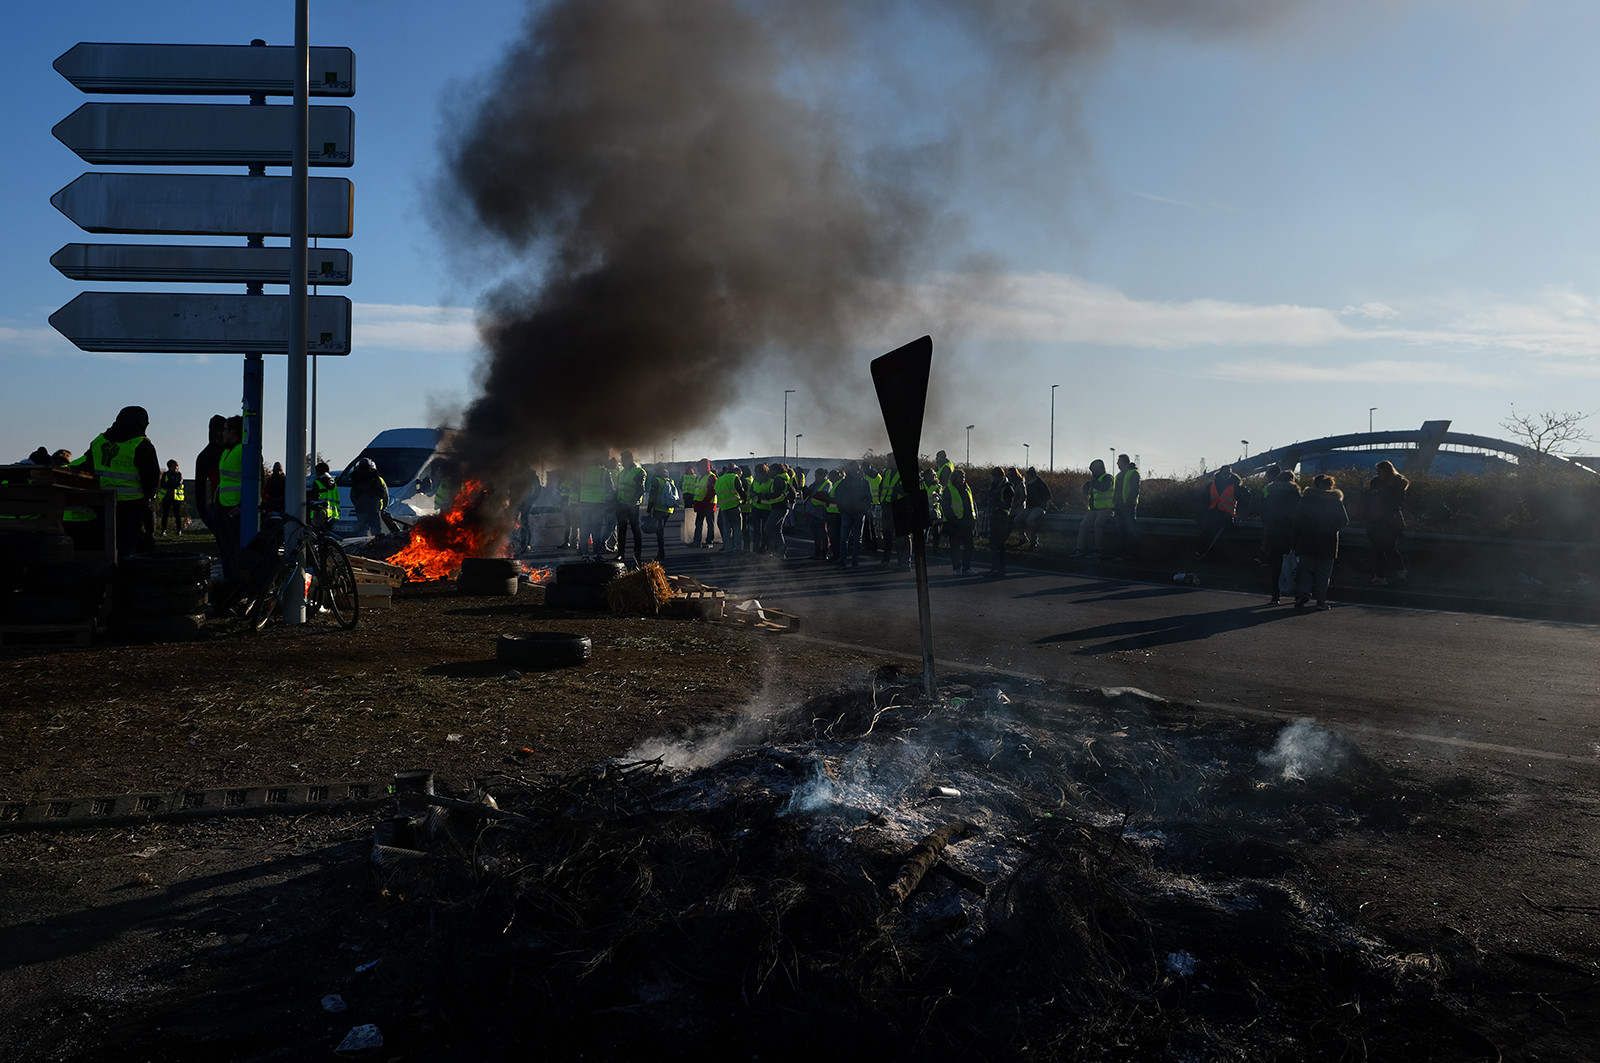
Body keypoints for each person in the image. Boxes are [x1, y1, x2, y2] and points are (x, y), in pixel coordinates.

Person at [81, 404, 160, 561]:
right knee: (126, 549)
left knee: (105, 547)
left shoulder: (98, 441)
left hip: (102, 504)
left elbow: (88, 469)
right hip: (132, 506)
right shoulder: (142, 445)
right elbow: (151, 478)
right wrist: (149, 498)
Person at [1291, 474, 1349, 610]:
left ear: (1315, 484)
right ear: (1330, 486)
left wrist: (1297, 538)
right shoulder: (1335, 501)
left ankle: (1303, 593)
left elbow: (1297, 519)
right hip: (1328, 541)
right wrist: (1330, 528)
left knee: (1306, 570)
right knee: (1323, 573)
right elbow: (1344, 520)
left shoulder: (1307, 499)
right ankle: (1320, 601)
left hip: (1307, 539)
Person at [1365, 460, 1409, 585]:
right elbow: (1370, 500)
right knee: (1378, 549)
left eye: (1380, 471)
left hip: (1390, 520)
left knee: (1389, 548)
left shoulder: (1398, 484)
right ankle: (1383, 575)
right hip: (1377, 519)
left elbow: (1397, 503)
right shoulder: (1376, 482)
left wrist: (1379, 495)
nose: (1378, 473)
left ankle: (1396, 572)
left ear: (1387, 471)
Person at [1261, 469, 1301, 604]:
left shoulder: (1271, 494)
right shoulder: (1296, 495)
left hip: (1274, 533)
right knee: (1295, 564)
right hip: (1291, 533)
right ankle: (1297, 594)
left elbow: (1264, 512)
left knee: (1276, 566)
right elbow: (1301, 515)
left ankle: (1275, 595)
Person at [214, 416, 245, 584]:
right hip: (223, 506)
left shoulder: (243, 451)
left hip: (235, 509)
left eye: (225, 430)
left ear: (233, 432)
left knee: (235, 552)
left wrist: (241, 506)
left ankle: (237, 585)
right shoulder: (227, 451)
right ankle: (229, 584)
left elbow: (254, 481)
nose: (222, 433)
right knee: (225, 551)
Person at [1195, 464, 1246, 559]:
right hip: (1212, 515)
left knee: (1222, 539)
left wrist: (1239, 515)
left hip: (1226, 517)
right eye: (1225, 473)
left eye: (1229, 473)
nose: (1227, 475)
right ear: (1220, 473)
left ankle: (1216, 557)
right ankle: (1202, 553)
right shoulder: (1211, 485)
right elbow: (1204, 502)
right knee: (1207, 535)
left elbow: (1243, 501)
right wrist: (1199, 517)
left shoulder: (1236, 486)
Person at [833, 461, 872, 568]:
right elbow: (837, 496)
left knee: (856, 539)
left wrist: (863, 511)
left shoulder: (864, 483)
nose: (852, 471)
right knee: (844, 539)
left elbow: (869, 499)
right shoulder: (844, 483)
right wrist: (842, 509)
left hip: (858, 514)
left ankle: (854, 561)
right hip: (847, 513)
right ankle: (843, 560)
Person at [613, 450, 648, 566]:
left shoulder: (638, 472)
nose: (622, 462)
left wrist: (632, 503)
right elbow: (618, 488)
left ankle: (637, 554)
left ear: (629, 460)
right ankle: (620, 553)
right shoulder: (622, 473)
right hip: (621, 505)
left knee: (635, 530)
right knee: (621, 530)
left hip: (632, 506)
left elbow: (640, 490)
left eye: (623, 460)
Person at [1074, 459, 1115, 559]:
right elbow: (1086, 491)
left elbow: (1103, 487)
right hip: (1093, 510)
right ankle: (1079, 549)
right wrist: (1088, 485)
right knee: (1083, 525)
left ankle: (1097, 550)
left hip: (1106, 509)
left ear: (1100, 468)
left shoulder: (1108, 478)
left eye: (1094, 469)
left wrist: (1093, 482)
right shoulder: (1094, 480)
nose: (1092, 472)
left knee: (1098, 524)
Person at [644, 465, 679, 564]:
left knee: (659, 533)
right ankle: (661, 553)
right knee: (660, 530)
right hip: (668, 509)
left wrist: (648, 510)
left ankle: (661, 554)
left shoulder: (657, 481)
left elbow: (652, 497)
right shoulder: (670, 480)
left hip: (659, 509)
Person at [983, 467, 1014, 578]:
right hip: (993, 517)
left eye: (994, 477)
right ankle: (994, 568)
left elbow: (1007, 505)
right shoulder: (993, 487)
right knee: (993, 545)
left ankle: (1001, 569)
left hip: (1002, 518)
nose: (993, 479)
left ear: (1000, 476)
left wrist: (994, 502)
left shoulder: (1007, 488)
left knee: (1000, 545)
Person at [945, 467, 977, 574]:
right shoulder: (949, 489)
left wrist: (974, 518)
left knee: (969, 546)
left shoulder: (967, 488)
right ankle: (956, 568)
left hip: (967, 522)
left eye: (963, 477)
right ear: (954, 478)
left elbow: (973, 503)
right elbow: (946, 507)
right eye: (960, 477)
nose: (963, 479)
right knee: (955, 547)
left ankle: (966, 567)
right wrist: (954, 520)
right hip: (955, 523)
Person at [349, 457, 389, 537]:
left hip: (360, 509)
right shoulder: (378, 479)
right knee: (376, 531)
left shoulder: (356, 480)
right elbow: (385, 495)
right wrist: (384, 507)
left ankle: (363, 543)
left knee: (363, 531)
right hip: (374, 509)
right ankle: (376, 544)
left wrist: (357, 505)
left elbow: (352, 495)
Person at [1015, 466, 1052, 548]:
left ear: (1033, 476)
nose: (1026, 478)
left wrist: (1040, 502)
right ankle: (1023, 538)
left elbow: (1048, 496)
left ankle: (1034, 540)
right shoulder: (1029, 484)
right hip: (1030, 507)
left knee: (1030, 520)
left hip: (1039, 507)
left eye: (1028, 476)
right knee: (1017, 519)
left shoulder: (1040, 484)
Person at [1112, 454, 1140, 559]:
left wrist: (1128, 503)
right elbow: (1116, 491)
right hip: (1119, 507)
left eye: (1118, 461)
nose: (1117, 463)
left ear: (1124, 462)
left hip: (1128, 507)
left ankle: (1132, 552)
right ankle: (1122, 552)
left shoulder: (1133, 473)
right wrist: (1114, 503)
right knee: (1121, 530)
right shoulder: (1119, 475)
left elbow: (1135, 490)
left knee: (1131, 530)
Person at [308, 461, 340, 530]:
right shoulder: (333, 483)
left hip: (319, 512)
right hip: (332, 514)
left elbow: (314, 497)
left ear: (319, 472)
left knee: (317, 532)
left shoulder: (318, 483)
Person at [158, 459, 186, 536]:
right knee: (165, 515)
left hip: (176, 497)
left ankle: (179, 530)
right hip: (166, 497)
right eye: (174, 465)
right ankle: (163, 530)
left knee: (177, 515)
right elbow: (162, 484)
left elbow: (179, 483)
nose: (176, 467)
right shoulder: (165, 474)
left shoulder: (179, 474)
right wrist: (172, 484)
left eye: (176, 465)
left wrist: (169, 484)